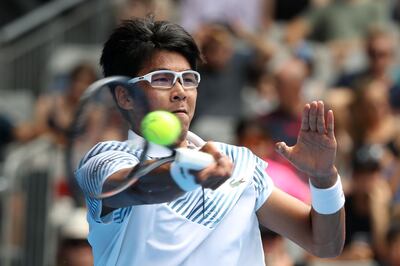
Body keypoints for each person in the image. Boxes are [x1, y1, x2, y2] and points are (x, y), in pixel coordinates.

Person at [75, 17, 345, 265]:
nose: (180, 92)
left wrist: (324, 179)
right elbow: (136, 188)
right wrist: (189, 173)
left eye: (188, 79)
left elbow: (325, 244)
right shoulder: (105, 159)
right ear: (124, 96)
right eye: (162, 79)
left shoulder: (239, 162)